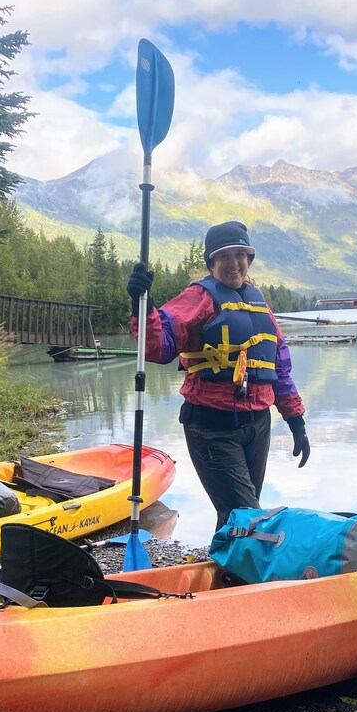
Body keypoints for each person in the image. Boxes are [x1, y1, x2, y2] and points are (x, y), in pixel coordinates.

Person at [127, 220, 310, 532]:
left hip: (258, 425)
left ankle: (226, 570)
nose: (233, 263)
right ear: (211, 261)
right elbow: (160, 346)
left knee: (237, 517)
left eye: (241, 254)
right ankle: (242, 575)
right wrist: (141, 306)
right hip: (212, 425)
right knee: (246, 515)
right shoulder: (198, 297)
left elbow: (279, 367)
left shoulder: (257, 302)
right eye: (224, 256)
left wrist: (296, 422)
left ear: (249, 260)